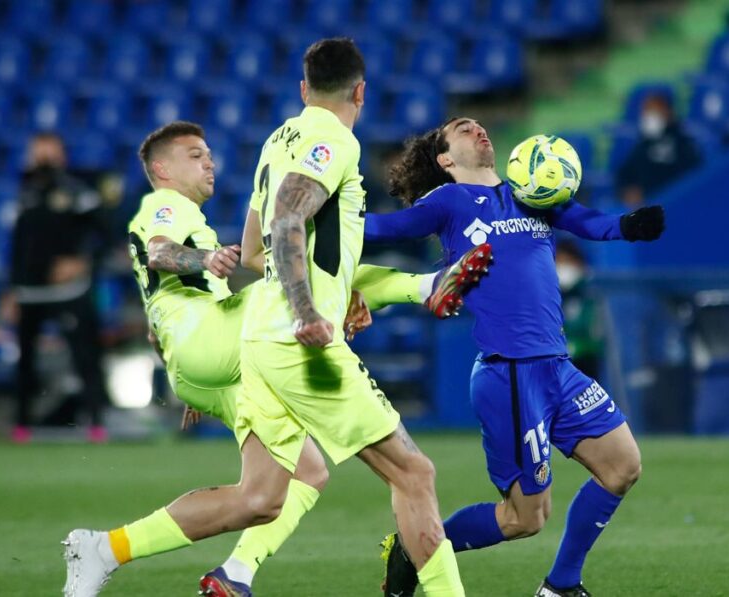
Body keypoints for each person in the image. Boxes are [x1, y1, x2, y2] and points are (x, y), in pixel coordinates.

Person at [62, 40, 467, 597]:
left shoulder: (277, 141)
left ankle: (113, 551)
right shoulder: (332, 140)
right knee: (413, 473)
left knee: (264, 497)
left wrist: (330, 289)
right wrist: (307, 308)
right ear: (360, 92)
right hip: (290, 337)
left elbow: (255, 251)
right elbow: (287, 220)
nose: (207, 163)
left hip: (252, 342)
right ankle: (424, 286)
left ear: (304, 89)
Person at [365, 117, 664, 597]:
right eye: (462, 129)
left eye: (478, 125)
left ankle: (561, 586)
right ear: (445, 158)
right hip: (510, 373)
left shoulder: (531, 193)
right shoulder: (448, 201)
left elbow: (586, 220)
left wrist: (627, 226)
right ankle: (413, 545)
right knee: (525, 518)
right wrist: (320, 221)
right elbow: (386, 228)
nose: (477, 129)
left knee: (623, 465)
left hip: (557, 368)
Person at [6, 132, 111, 443]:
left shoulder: (78, 192)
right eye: (37, 153)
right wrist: (11, 290)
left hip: (69, 290)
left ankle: (96, 423)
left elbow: (108, 236)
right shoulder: (23, 193)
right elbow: (18, 245)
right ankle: (21, 425)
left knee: (86, 356)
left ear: (62, 156)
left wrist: (83, 262)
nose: (42, 161)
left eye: (48, 153)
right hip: (29, 292)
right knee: (25, 361)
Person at [616, 94, 701, 208]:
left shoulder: (682, 144)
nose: (648, 117)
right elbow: (625, 173)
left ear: (668, 113)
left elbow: (692, 177)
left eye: (654, 112)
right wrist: (628, 191)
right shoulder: (644, 143)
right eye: (646, 112)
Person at [555, 241, 603, 380]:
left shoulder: (589, 291)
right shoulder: (549, 294)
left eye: (567, 261)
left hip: (585, 359)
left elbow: (591, 328)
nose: (563, 267)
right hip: (556, 361)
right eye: (559, 261)